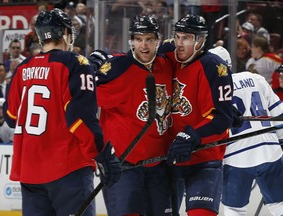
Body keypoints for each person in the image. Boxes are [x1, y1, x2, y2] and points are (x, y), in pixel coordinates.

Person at [2, 8, 122, 216]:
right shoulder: (76, 63)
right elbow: (79, 118)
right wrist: (103, 152)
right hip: (68, 170)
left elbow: (11, 118)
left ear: (40, 36)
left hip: (30, 173)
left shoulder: (22, 69)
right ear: (66, 34)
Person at [93, 15, 173, 215]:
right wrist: (89, 66)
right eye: (138, 39)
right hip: (123, 166)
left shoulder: (167, 64)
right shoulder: (117, 68)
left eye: (148, 39)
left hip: (158, 164)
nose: (143, 45)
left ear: (158, 40)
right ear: (131, 41)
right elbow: (84, 97)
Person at [159, 14, 234, 216]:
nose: (179, 43)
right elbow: (139, 54)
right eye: (177, 37)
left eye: (186, 38)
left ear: (200, 40)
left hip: (204, 159)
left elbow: (221, 118)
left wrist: (192, 136)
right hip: (167, 157)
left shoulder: (215, 67)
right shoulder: (167, 54)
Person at [209, 46, 283, 216]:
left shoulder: (209, 91)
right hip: (269, 151)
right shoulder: (255, 78)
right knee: (279, 204)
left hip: (235, 157)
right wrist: (280, 143)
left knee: (234, 209)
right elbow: (279, 114)